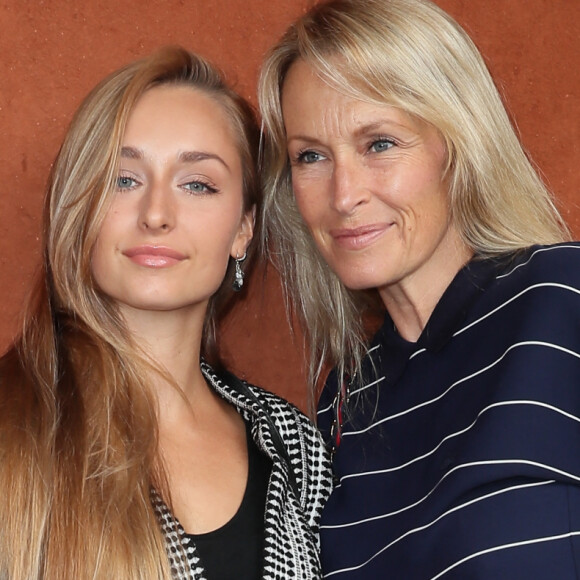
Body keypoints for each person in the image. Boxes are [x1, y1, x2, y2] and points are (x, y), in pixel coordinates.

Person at [258, 0, 580, 577]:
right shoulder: (344, 405)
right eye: (311, 156)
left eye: (380, 144)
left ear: (458, 144)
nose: (343, 194)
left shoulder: (561, 301)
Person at [0, 46, 332, 579]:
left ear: (244, 227)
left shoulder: (294, 445)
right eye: (123, 179)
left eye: (197, 184)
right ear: (79, 206)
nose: (156, 214)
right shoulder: (13, 425)